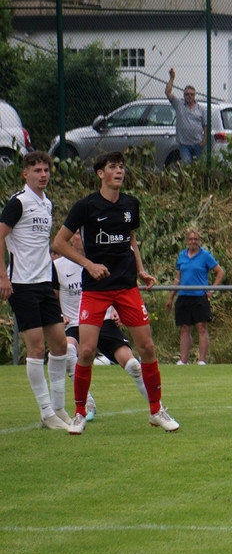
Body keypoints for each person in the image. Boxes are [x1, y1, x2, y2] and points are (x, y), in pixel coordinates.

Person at [51, 150, 179, 435]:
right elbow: (59, 243)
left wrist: (141, 270)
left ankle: (156, 410)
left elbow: (131, 239)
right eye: (113, 167)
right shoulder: (85, 207)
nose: (119, 171)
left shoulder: (131, 204)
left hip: (126, 287)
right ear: (101, 173)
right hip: (96, 290)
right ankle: (80, 413)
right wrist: (88, 264)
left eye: (122, 167)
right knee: (86, 350)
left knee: (147, 348)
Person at [0, 151, 71, 430]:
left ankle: (58, 407)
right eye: (37, 170)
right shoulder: (18, 202)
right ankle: (45, 411)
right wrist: (3, 277)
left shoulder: (46, 203)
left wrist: (52, 281)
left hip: (43, 283)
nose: (43, 175)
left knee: (60, 344)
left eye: (46, 170)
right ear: (25, 174)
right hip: (21, 284)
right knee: (37, 347)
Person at [54, 231, 150, 421]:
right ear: (71, 237)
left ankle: (157, 408)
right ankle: (87, 402)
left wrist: (115, 310)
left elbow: (116, 290)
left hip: (104, 320)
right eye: (77, 233)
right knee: (68, 350)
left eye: (84, 233)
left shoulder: (103, 260)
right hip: (75, 324)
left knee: (133, 365)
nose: (81, 237)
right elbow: (52, 295)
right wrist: (59, 315)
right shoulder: (57, 266)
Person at [166, 229, 225, 365]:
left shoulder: (205, 255)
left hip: (199, 296)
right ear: (187, 241)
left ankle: (202, 360)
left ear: (199, 241)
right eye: (191, 239)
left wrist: (211, 290)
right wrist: (171, 297)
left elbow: (220, 272)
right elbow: (178, 277)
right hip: (183, 296)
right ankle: (183, 360)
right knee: (184, 328)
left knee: (201, 327)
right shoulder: (182, 255)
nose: (193, 242)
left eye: (196, 239)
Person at [165, 68, 208, 164]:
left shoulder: (201, 109)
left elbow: (206, 126)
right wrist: (172, 78)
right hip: (184, 144)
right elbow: (168, 92)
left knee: (198, 166)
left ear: (195, 95)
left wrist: (204, 141)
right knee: (186, 164)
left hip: (198, 144)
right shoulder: (179, 104)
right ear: (184, 95)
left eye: (192, 94)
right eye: (187, 94)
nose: (189, 96)